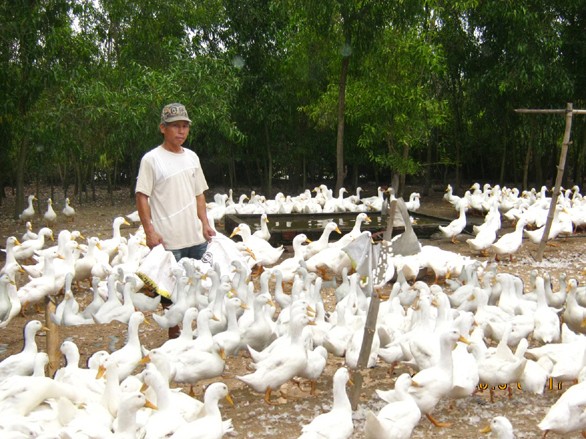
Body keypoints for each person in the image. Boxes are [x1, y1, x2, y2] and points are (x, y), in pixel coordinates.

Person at [136, 102, 216, 338]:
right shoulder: (151, 159)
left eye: (185, 127)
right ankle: (174, 332)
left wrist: (205, 223)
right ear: (163, 128)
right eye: (175, 127)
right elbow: (142, 196)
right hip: (168, 239)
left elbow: (199, 193)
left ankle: (197, 332)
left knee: (198, 285)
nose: (181, 131)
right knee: (169, 289)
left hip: (195, 235)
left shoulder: (192, 157)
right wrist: (149, 231)